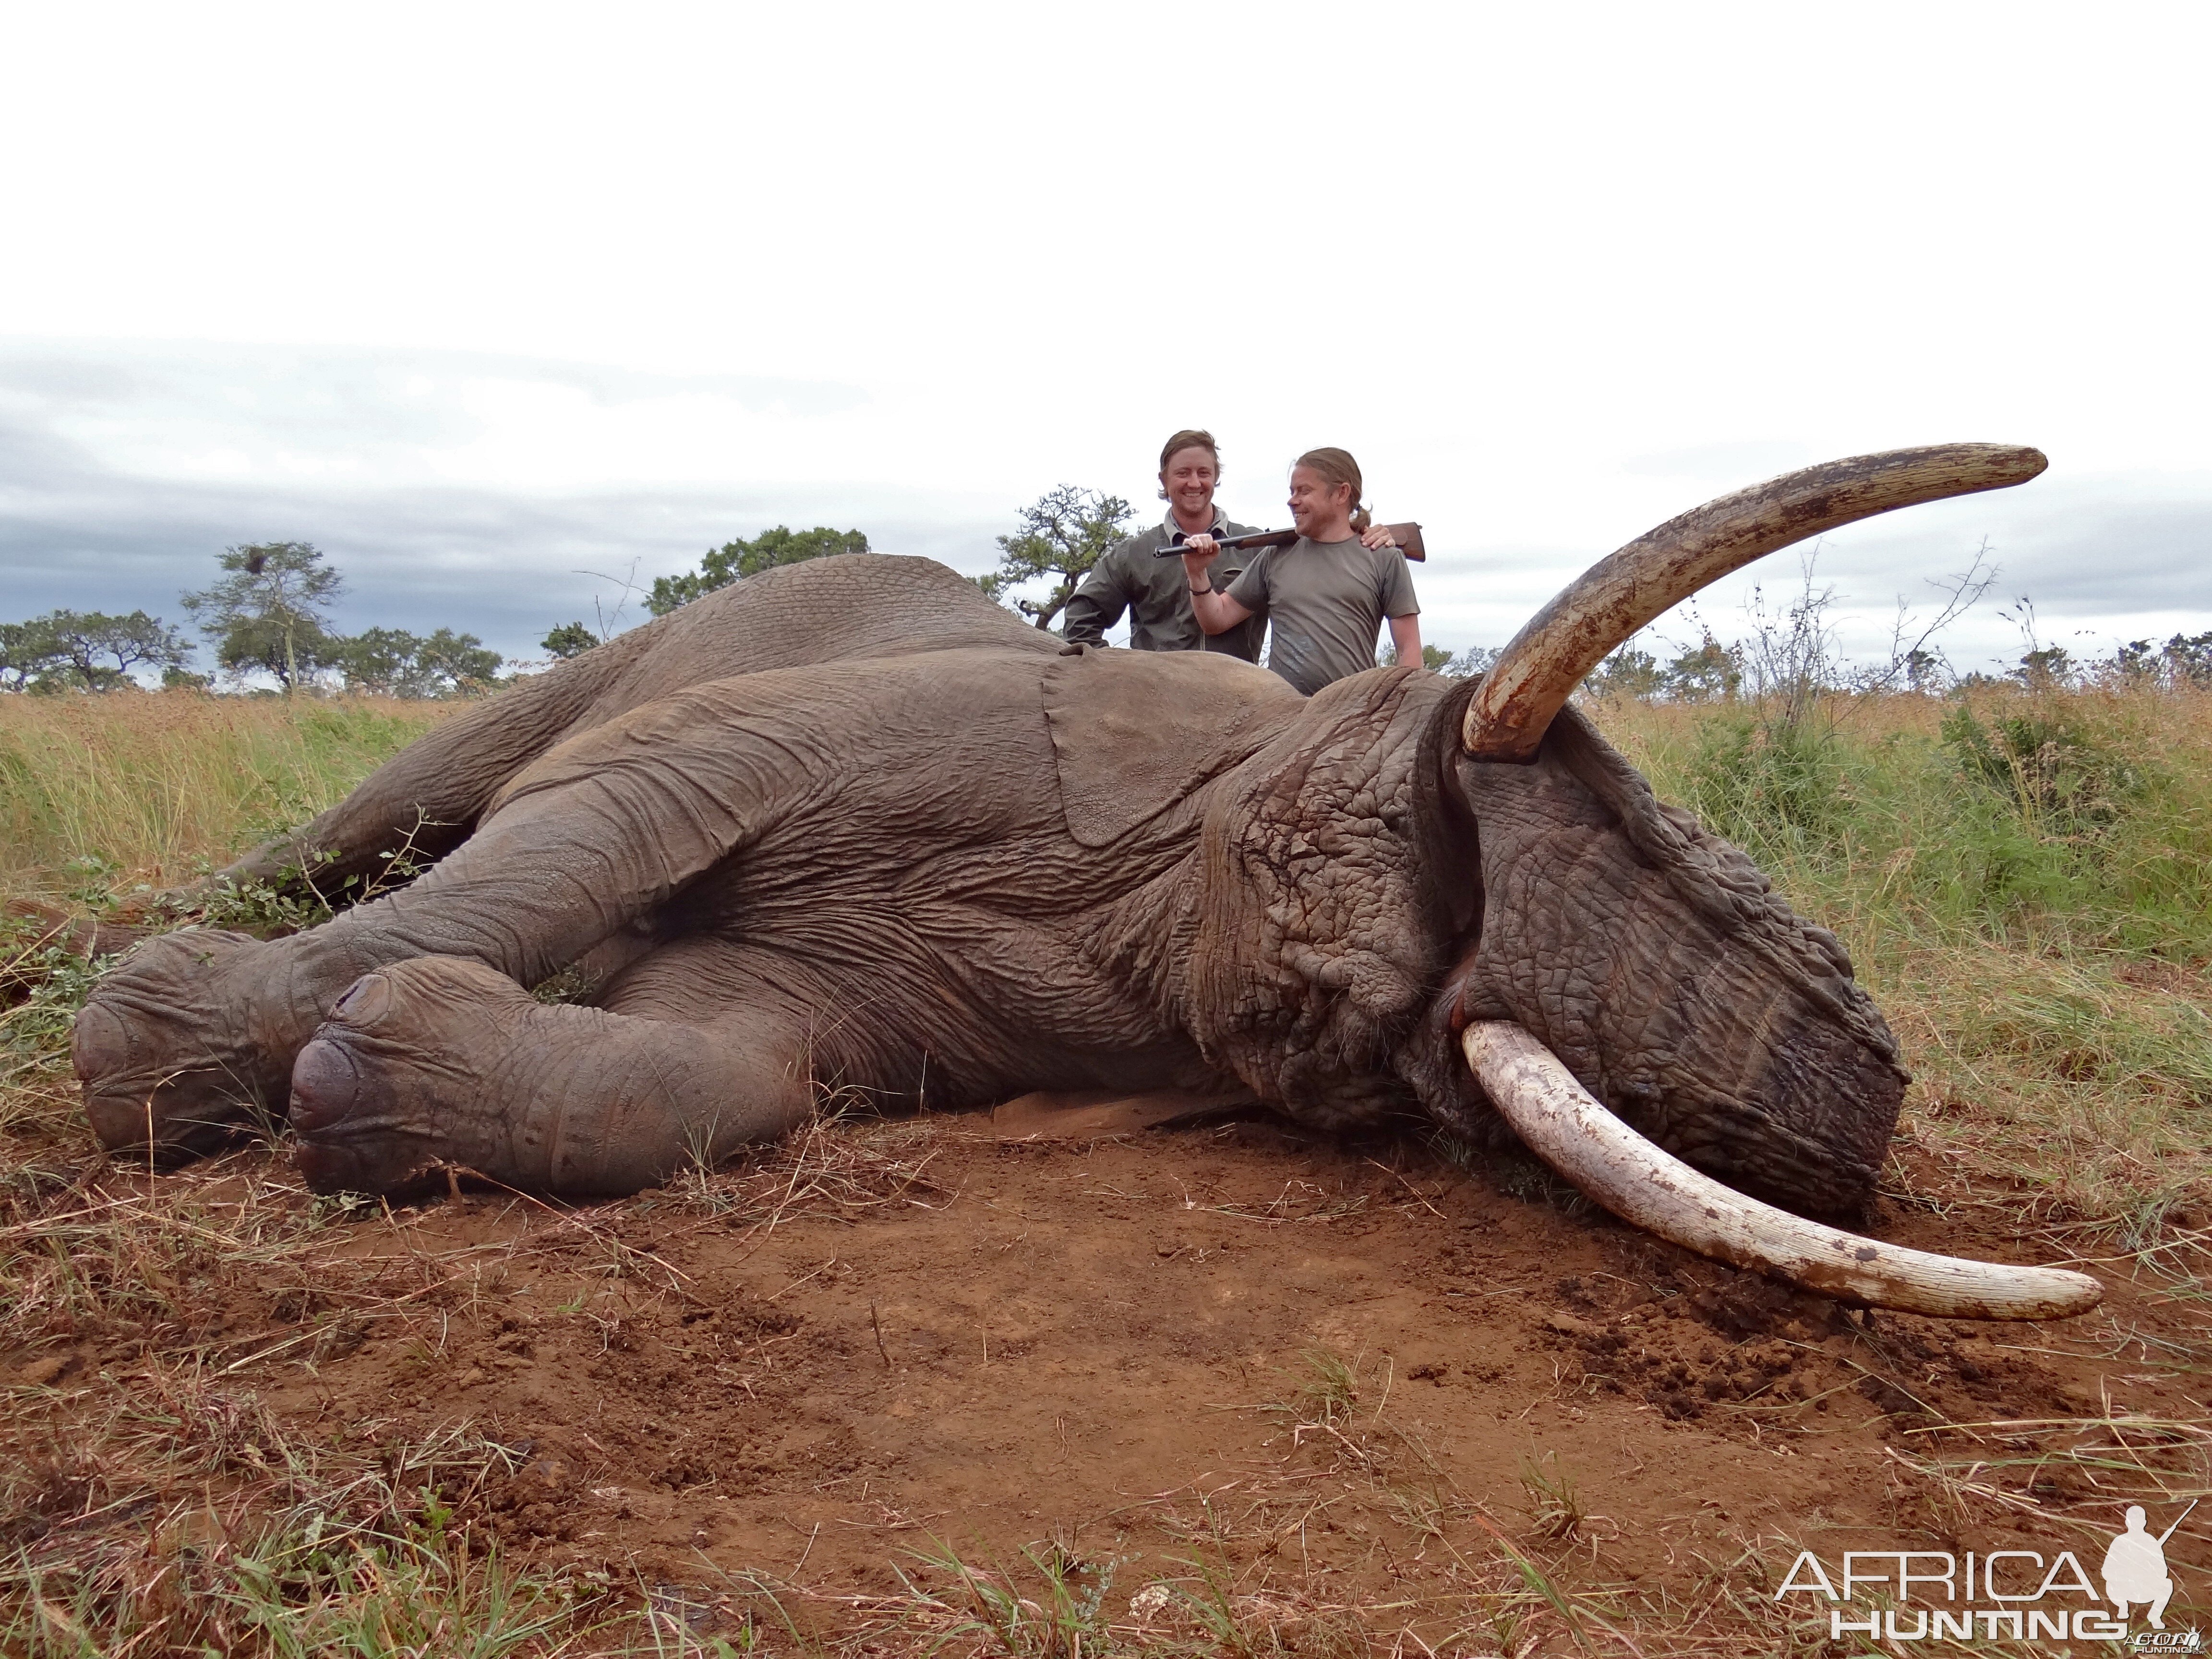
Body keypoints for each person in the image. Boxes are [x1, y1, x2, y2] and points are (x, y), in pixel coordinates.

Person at [1060, 430, 1399, 661]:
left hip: (1242, 711)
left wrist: (1367, 531)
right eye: (1183, 474)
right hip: (1157, 710)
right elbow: (1081, 620)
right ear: (1164, 479)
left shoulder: (1262, 547)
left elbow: (1331, 541)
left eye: (1204, 473)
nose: (1195, 483)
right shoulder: (1133, 554)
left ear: (1216, 477)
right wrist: (1117, 674)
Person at [1181, 447, 1420, 695]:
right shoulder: (1275, 556)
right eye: (1292, 491)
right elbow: (1216, 619)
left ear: (1342, 493)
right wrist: (1197, 573)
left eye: (1304, 491)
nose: (1292, 500)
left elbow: (1409, 650)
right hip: (1283, 718)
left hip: (1353, 720)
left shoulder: (1385, 558)